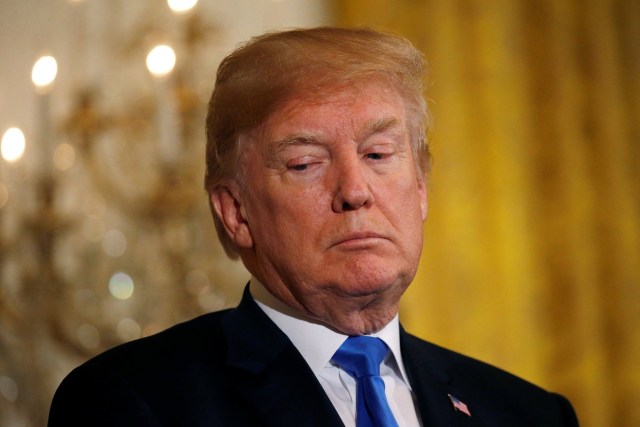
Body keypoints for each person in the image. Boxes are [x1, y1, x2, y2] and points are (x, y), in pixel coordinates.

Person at [48, 27, 579, 426]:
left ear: (421, 189)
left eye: (377, 153)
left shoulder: (530, 414)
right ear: (236, 212)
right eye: (305, 164)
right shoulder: (134, 402)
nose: (354, 190)